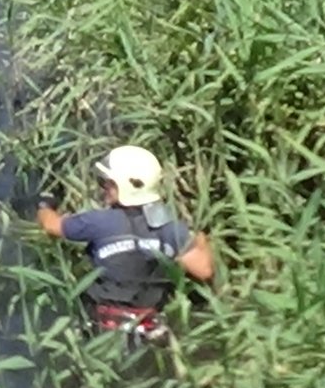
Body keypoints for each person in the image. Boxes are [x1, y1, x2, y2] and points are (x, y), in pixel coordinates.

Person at [36, 144, 215, 343]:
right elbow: (204, 270)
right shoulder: (171, 229)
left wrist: (45, 204)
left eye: (108, 183)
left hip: (103, 327)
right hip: (150, 327)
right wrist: (199, 235)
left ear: (123, 186)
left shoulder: (99, 221)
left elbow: (51, 226)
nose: (104, 188)